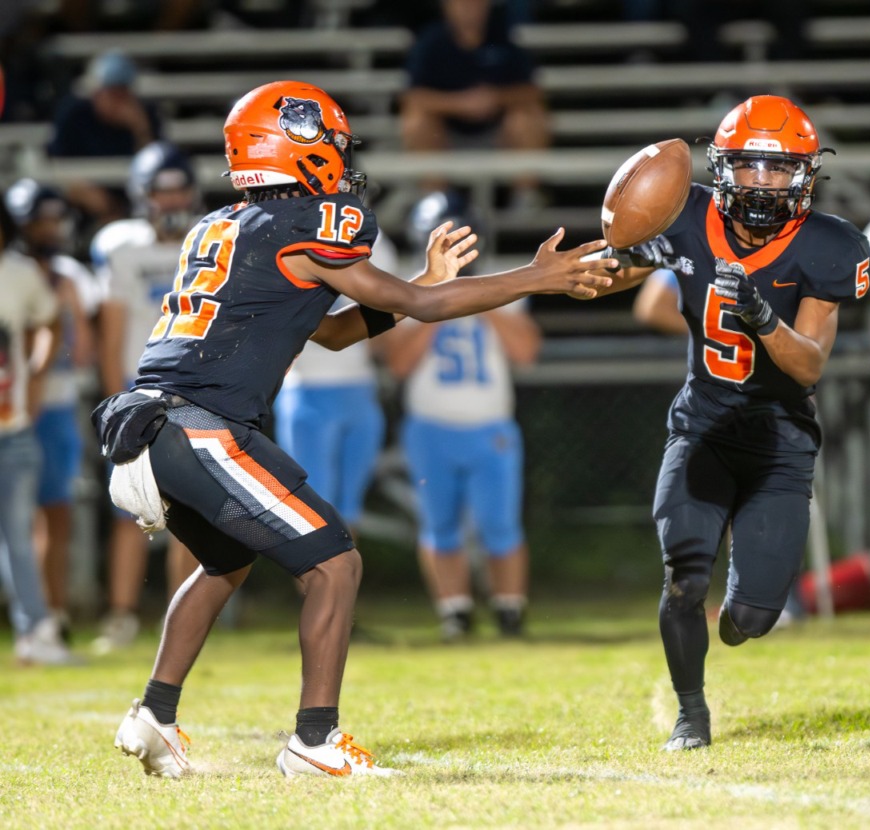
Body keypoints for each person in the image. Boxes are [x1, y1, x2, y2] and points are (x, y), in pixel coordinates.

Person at [95, 79, 615, 779]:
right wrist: (533, 278)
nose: (340, 159)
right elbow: (417, 306)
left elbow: (338, 335)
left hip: (154, 421)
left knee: (226, 562)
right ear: (298, 146)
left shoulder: (221, 225)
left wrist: (421, 288)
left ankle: (154, 714)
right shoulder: (301, 226)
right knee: (334, 561)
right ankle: (315, 741)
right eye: (332, 144)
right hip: (197, 425)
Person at [583, 95, 870, 749]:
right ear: (721, 168)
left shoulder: (829, 246)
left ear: (806, 176)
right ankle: (692, 713)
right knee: (684, 578)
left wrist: (764, 318)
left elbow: (808, 367)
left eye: (778, 169)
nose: (762, 184)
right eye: (748, 167)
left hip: (780, 439)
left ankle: (745, 611)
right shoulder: (686, 217)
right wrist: (587, 265)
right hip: (702, 428)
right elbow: (613, 269)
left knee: (752, 618)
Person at [382, 190, 540, 640]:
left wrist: (477, 295)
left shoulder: (501, 284)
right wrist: (437, 299)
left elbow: (526, 351)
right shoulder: (411, 289)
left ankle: (510, 610)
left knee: (501, 524)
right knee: (439, 524)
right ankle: (455, 611)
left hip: (490, 426)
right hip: (430, 426)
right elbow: (398, 363)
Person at [89, 140, 202, 654]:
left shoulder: (206, 242)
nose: (174, 200)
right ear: (144, 196)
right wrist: (118, 403)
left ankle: (182, 617)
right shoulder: (125, 253)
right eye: (164, 191)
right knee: (128, 514)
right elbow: (111, 337)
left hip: (192, 393)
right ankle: (122, 614)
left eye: (180, 189)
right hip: (140, 393)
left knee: (190, 514)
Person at [4, 179, 99, 639]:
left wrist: (67, 308)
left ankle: (52, 614)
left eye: (53, 218)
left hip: (55, 404)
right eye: (38, 219)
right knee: (16, 520)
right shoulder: (12, 272)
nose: (48, 228)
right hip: (13, 408)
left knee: (55, 511)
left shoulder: (70, 277)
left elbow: (80, 352)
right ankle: (33, 614)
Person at [271, 231, 398, 540]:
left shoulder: (377, 242)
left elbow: (387, 316)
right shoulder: (291, 232)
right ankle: (316, 588)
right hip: (306, 385)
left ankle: (340, 588)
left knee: (347, 510)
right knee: (310, 510)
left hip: (357, 384)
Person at [0, 194, 78, 665]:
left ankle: (37, 632)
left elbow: (50, 320)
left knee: (19, 536)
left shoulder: (19, 271)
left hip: (14, 430)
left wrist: (36, 375)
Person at [399, 0, 549, 210]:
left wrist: (494, 98)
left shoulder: (502, 37)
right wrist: (462, 103)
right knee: (416, 120)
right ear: (448, 7)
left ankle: (524, 198)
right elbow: (413, 97)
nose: (469, 9)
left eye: (475, 3)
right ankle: (433, 201)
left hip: (496, 133)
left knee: (528, 117)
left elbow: (530, 91)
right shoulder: (431, 43)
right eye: (462, 4)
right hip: (446, 135)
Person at [47, 50, 164, 236]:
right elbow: (54, 164)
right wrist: (82, 190)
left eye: (122, 93)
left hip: (130, 197)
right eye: (110, 93)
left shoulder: (145, 115)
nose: (117, 101)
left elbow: (156, 164)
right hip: (85, 196)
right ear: (95, 92)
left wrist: (140, 130)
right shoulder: (73, 113)